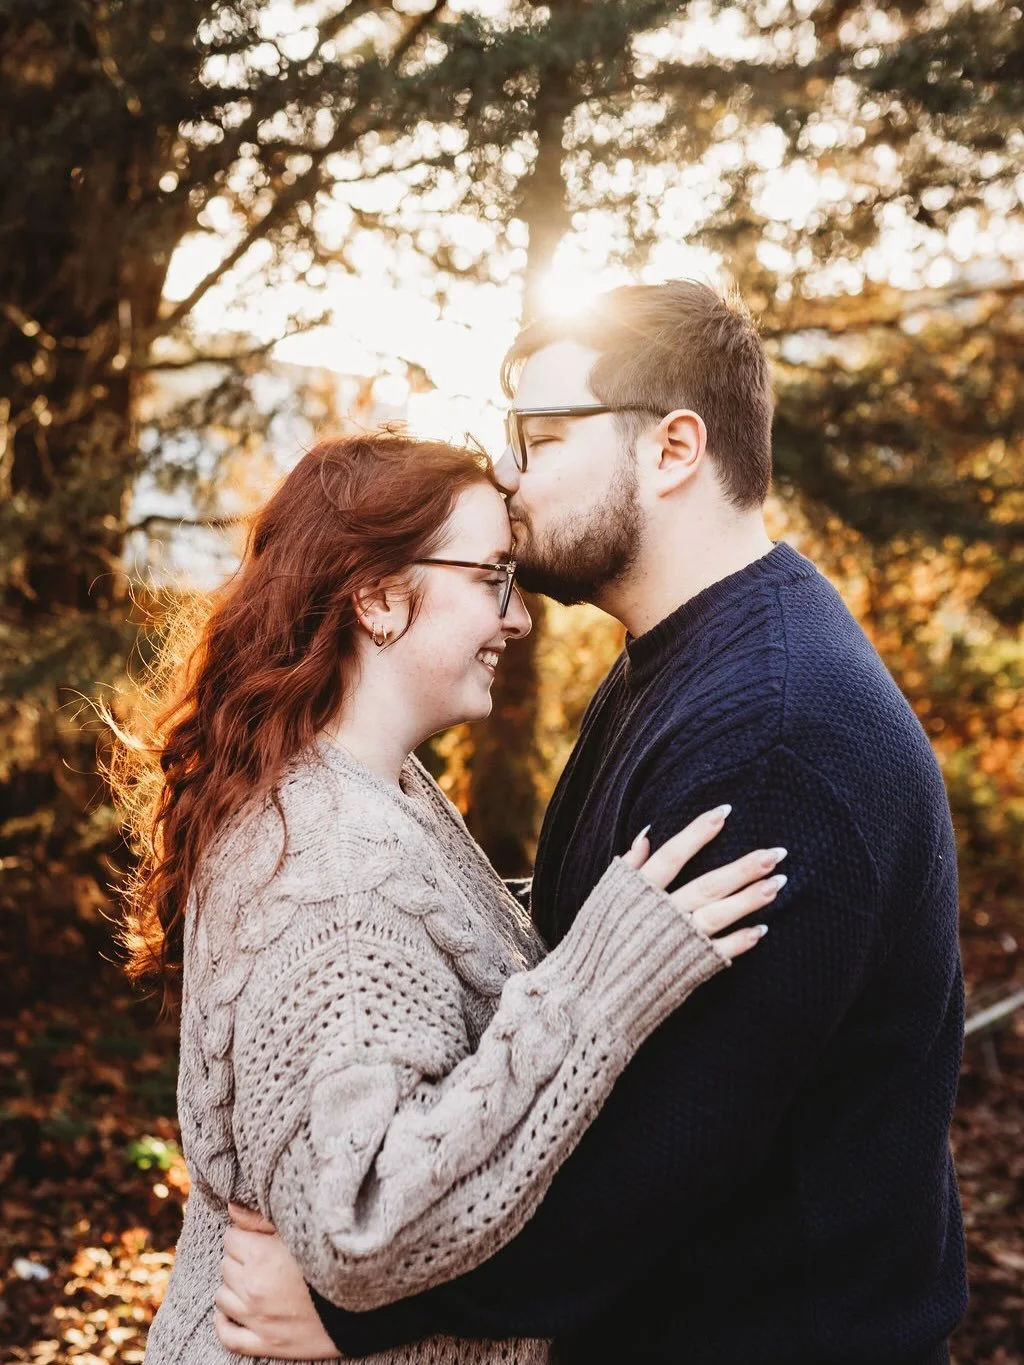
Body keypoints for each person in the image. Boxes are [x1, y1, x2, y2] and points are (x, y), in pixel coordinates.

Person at [215, 281, 968, 1365]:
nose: (510, 476)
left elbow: (651, 1154)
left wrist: (356, 1311)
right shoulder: (685, 663)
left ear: (672, 449)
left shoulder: (775, 735)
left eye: (545, 436)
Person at [117, 430, 778, 1365]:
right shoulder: (334, 865)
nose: (517, 619)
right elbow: (361, 1222)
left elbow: (429, 969)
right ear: (381, 599)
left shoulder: (372, 790)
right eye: (490, 578)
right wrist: (601, 981)